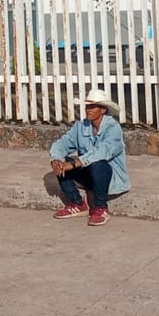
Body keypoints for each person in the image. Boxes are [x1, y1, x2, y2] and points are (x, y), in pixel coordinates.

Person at [49, 89, 130, 227]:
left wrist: (76, 163)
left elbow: (103, 151)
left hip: (109, 177)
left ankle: (100, 208)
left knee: (98, 163)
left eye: (93, 107)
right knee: (62, 163)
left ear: (103, 110)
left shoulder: (113, 128)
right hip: (89, 175)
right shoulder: (81, 126)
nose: (88, 110)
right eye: (87, 106)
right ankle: (77, 203)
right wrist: (56, 158)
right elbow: (62, 143)